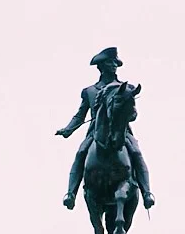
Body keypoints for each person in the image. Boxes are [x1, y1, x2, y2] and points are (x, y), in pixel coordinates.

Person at [56, 47, 155, 210]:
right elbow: (80, 116)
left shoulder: (127, 88)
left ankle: (147, 193)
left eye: (115, 63)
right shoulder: (89, 91)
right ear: (101, 66)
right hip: (95, 132)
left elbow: (133, 113)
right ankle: (71, 193)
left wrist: (127, 114)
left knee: (136, 153)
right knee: (81, 153)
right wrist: (68, 129)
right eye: (110, 62)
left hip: (121, 131)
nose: (114, 65)